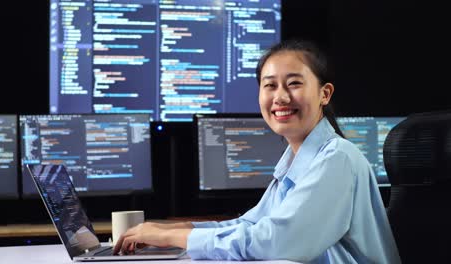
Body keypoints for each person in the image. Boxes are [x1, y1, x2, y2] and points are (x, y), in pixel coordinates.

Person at [113, 39, 401, 263]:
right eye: (270, 85)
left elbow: (279, 240)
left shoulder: (336, 159)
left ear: (324, 93)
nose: (281, 97)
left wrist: (180, 238)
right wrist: (171, 231)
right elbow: (250, 224)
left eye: (294, 84)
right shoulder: (296, 160)